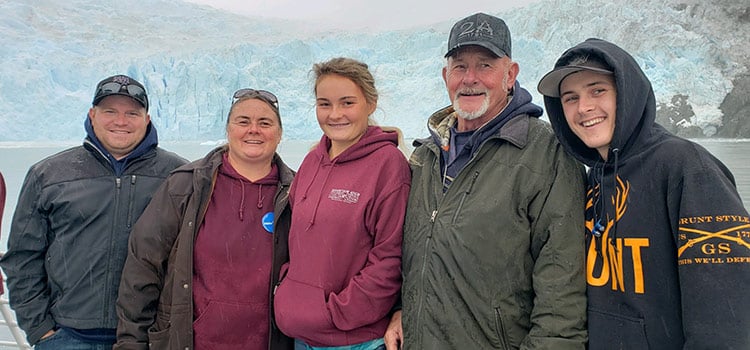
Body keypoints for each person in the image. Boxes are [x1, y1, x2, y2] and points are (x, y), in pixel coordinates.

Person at [384, 12, 588, 350]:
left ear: (510, 75)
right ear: (445, 76)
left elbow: (562, 288)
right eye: (460, 66)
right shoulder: (426, 156)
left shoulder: (546, 154)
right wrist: (401, 308)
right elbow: (418, 256)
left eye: (486, 65)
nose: (470, 78)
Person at [537, 38, 750, 349]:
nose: (584, 108)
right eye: (570, 98)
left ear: (627, 92)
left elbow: (725, 316)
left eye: (598, 90)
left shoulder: (688, 169)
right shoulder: (591, 177)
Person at [0, 74, 187, 349]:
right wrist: (40, 329)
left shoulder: (177, 176)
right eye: (110, 111)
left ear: (147, 119)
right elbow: (23, 257)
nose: (120, 121)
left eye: (132, 113)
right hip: (66, 337)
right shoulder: (49, 174)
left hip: (147, 339)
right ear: (92, 114)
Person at [115, 88, 295, 350]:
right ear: (228, 129)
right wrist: (131, 342)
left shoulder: (297, 194)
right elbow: (143, 266)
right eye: (243, 121)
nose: (253, 130)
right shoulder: (186, 185)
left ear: (279, 134)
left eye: (265, 123)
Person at [273, 57, 410, 350]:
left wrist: (334, 313)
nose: (335, 114)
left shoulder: (388, 165)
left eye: (347, 102)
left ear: (370, 104)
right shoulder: (312, 161)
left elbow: (389, 258)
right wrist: (289, 293)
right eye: (325, 104)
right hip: (303, 337)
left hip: (355, 340)